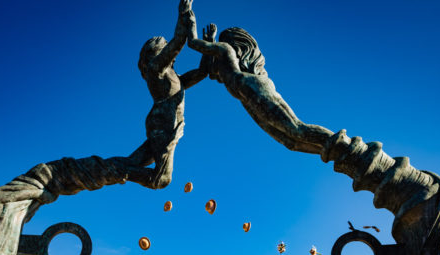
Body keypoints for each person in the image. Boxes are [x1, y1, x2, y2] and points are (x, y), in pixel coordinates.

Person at [185, 9, 333, 156]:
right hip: (245, 96)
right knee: (290, 142)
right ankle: (333, 154)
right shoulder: (222, 59)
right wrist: (210, 41)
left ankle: (341, 144)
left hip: (251, 86)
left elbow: (193, 43)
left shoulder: (225, 49)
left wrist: (190, 21)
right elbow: (207, 72)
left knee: (296, 129)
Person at [128, 0, 210, 189]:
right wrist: (184, 12)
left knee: (134, 161)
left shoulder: (176, 78)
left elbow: (202, 72)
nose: (168, 52)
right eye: (164, 48)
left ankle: (111, 169)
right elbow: (179, 41)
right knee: (162, 179)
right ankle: (116, 171)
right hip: (162, 122)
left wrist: (209, 43)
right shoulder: (156, 69)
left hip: (167, 123)